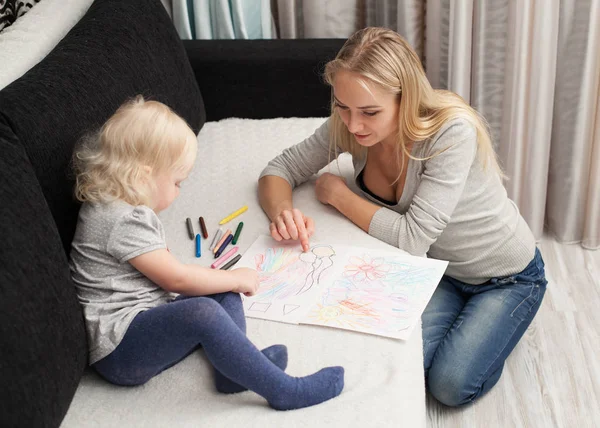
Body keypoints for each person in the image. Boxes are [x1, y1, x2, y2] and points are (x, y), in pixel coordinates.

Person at [258, 27, 547, 407]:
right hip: (439, 271)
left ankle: (507, 322)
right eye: (343, 106)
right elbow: (281, 167)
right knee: (396, 365)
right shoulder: (346, 125)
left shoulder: (450, 133)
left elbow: (413, 238)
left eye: (369, 112)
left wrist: (340, 195)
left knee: (448, 387)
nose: (353, 124)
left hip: (505, 276)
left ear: (405, 98)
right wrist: (283, 212)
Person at [69, 96, 344, 411]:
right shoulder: (120, 219)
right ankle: (284, 391)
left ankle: (234, 372)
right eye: (176, 182)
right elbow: (177, 279)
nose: (178, 191)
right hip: (121, 352)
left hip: (139, 329)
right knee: (205, 309)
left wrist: (226, 282)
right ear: (143, 175)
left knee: (224, 292)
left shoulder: (114, 206)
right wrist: (232, 276)